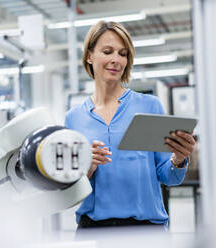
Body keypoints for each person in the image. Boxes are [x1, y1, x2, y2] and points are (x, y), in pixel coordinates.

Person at [64, 21, 196, 231]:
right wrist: (86, 168)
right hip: (94, 229)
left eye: (122, 53)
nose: (116, 60)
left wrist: (179, 159)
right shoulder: (74, 118)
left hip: (145, 229)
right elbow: (69, 189)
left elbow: (168, 176)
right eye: (107, 51)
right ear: (89, 56)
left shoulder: (149, 106)